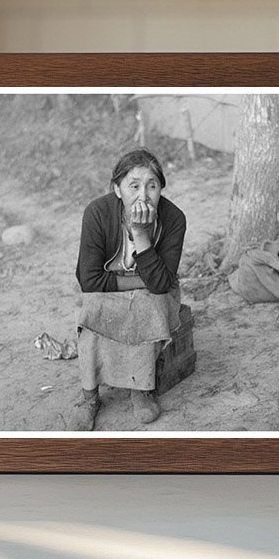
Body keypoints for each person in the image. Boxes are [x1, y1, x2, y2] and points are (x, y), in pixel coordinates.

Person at [73, 149, 187, 431]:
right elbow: (88, 280)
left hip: (151, 292)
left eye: (152, 186)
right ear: (117, 189)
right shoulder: (97, 213)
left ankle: (141, 389)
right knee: (93, 306)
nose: (143, 195)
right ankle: (90, 397)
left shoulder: (174, 219)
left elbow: (161, 286)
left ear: (161, 189)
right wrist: (143, 281)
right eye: (133, 186)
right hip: (114, 288)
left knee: (150, 305)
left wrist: (139, 233)